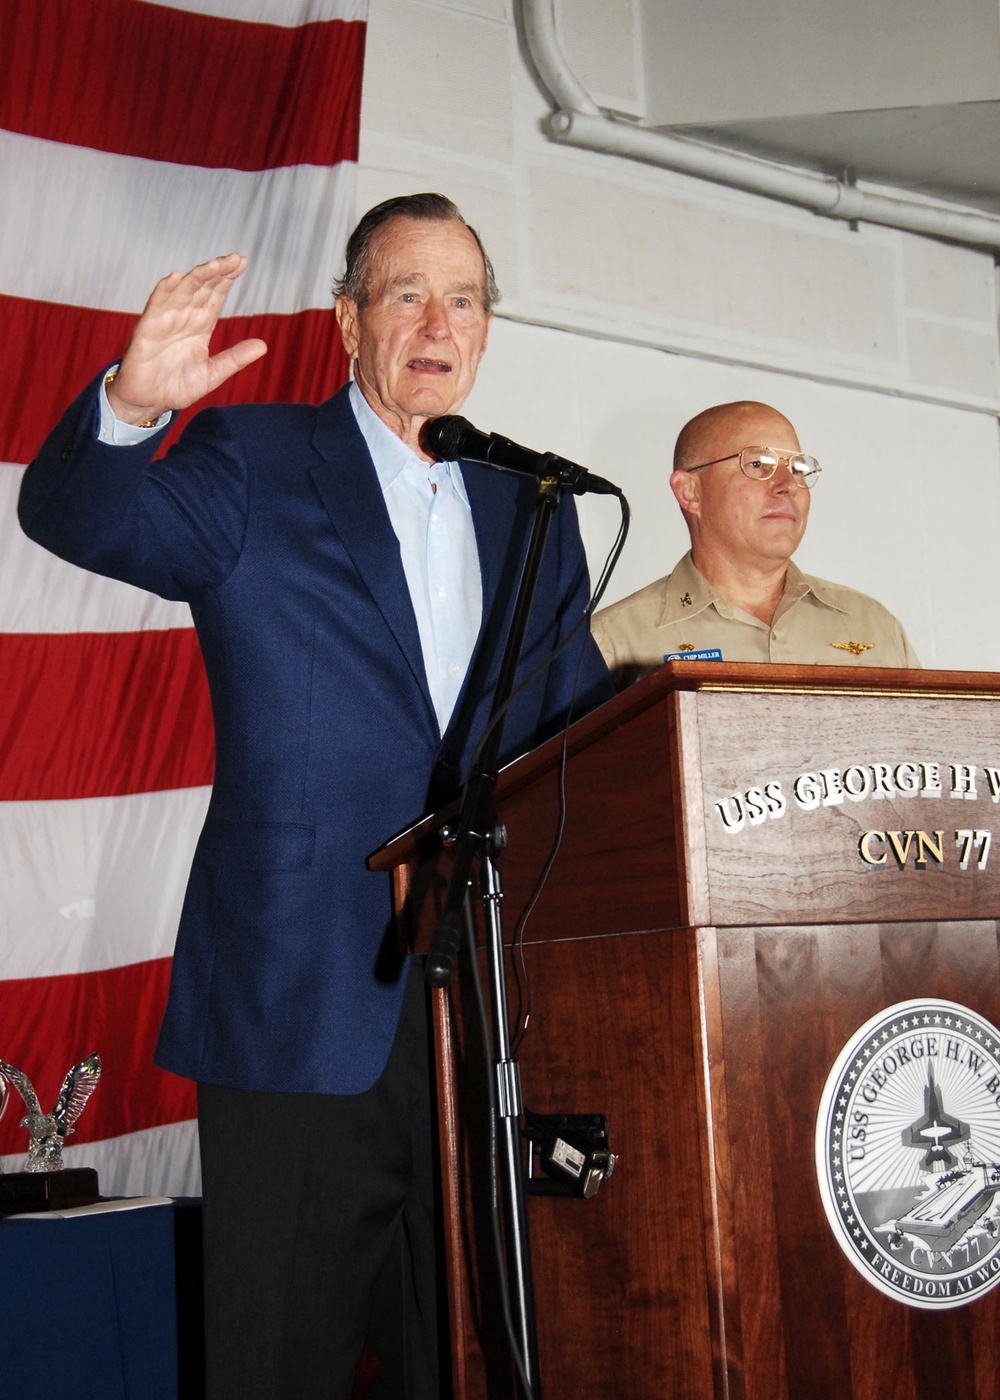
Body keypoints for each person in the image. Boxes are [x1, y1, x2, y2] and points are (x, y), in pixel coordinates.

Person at [19, 193, 612, 1399]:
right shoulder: (258, 459)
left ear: (488, 329)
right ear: (349, 320)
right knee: (278, 1357)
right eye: (406, 293)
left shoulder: (531, 508)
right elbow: (74, 512)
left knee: (466, 1352)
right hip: (296, 990)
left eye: (464, 298)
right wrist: (133, 406)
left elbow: (580, 737)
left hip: (482, 1000)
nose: (436, 321)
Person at [592, 399, 919, 687]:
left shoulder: (872, 625)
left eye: (799, 468)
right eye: (758, 465)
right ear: (690, 492)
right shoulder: (613, 642)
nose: (788, 485)